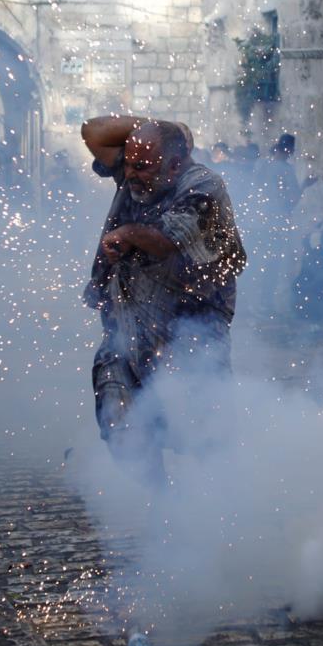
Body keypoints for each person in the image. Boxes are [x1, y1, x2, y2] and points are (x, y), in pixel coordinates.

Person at [80, 114, 247, 476]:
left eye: (144, 167)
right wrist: (158, 126)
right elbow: (93, 132)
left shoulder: (204, 186)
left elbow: (167, 242)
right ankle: (159, 503)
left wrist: (127, 234)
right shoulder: (139, 171)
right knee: (121, 424)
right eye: (130, 164)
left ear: (174, 163)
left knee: (204, 433)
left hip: (189, 331)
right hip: (127, 327)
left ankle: (214, 508)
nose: (131, 174)